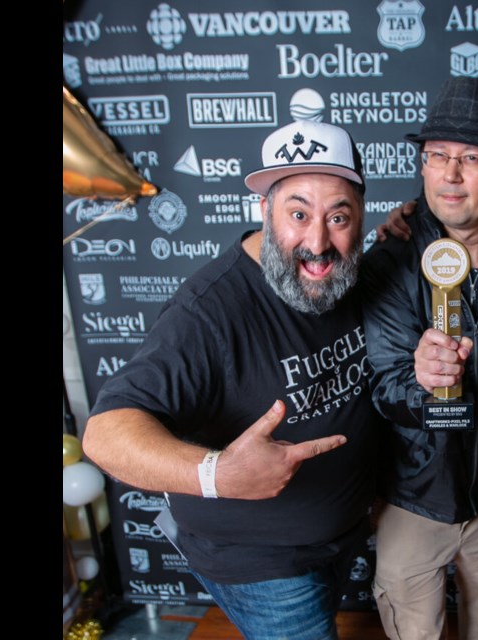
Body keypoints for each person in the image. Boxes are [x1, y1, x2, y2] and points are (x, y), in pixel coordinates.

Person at [81, 120, 382, 640]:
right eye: (297, 214)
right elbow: (104, 434)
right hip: (260, 568)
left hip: (342, 536)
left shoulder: (352, 272)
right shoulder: (207, 313)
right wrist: (217, 475)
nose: (317, 240)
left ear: (360, 217)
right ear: (263, 210)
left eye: (338, 216)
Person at [358, 77, 478, 640]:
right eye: (436, 155)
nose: (449, 174)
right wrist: (420, 382)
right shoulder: (389, 261)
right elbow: (382, 387)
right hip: (411, 496)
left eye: (472, 158)